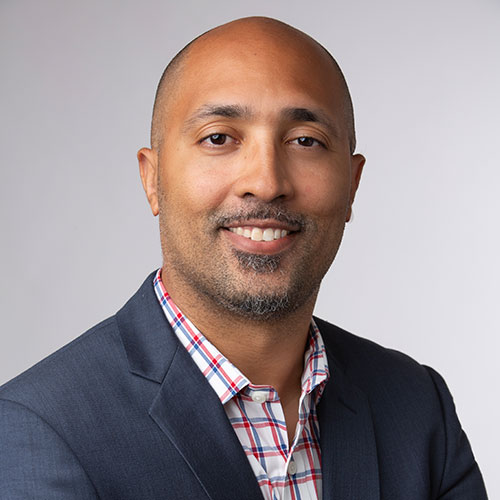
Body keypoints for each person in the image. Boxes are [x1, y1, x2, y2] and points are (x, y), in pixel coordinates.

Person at [0, 16, 487, 500]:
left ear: (352, 185)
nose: (267, 182)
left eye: (305, 141)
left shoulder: (416, 407)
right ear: (153, 180)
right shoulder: (39, 430)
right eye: (219, 138)